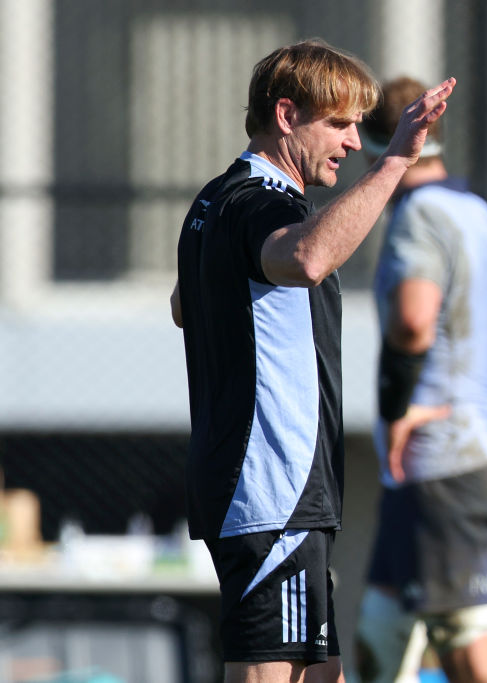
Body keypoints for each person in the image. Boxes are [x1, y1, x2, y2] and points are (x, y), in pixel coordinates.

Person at [170, 40, 454, 683]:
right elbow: (304, 259)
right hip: (273, 485)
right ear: (287, 114)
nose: (356, 143)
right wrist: (396, 164)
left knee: (321, 674)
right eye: (341, 124)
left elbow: (186, 304)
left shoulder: (214, 202)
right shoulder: (262, 201)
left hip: (270, 488)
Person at [353, 76, 487, 683]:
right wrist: (471, 385)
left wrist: (409, 403)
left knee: (474, 659)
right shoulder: (478, 213)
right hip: (439, 466)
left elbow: (414, 323)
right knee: (379, 644)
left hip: (448, 464)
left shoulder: (418, 215)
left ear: (372, 145)